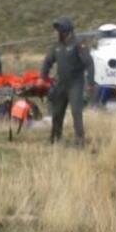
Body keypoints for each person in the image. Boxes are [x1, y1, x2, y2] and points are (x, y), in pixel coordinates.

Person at [40, 17, 95, 146]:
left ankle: (80, 141)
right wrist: (43, 78)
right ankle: (55, 139)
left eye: (58, 30)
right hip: (61, 84)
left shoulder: (79, 44)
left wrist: (91, 82)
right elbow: (47, 62)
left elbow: (89, 63)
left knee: (76, 112)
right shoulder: (57, 46)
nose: (56, 33)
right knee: (57, 112)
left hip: (75, 84)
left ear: (65, 31)